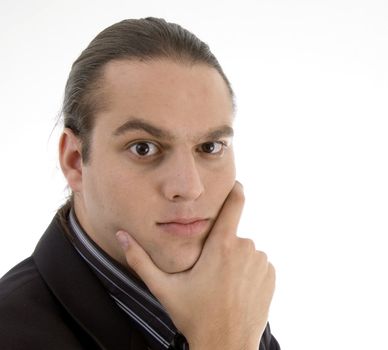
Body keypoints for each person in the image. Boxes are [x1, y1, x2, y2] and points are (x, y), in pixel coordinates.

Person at [0, 17, 279, 350]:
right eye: (143, 148)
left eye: (210, 147)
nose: (189, 187)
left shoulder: (227, 295)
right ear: (75, 160)